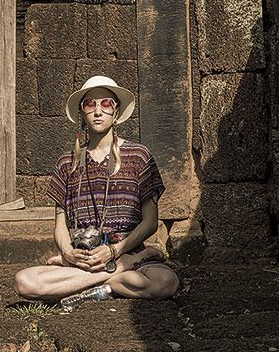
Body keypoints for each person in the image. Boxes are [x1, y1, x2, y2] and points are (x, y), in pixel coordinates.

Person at [13, 75, 179, 309]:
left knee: (166, 282)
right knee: (24, 282)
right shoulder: (67, 162)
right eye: (90, 104)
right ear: (81, 113)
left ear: (116, 111)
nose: (98, 111)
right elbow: (60, 224)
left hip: (126, 250)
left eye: (106, 104)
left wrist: (116, 252)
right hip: (85, 260)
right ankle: (111, 280)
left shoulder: (139, 156)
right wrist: (69, 254)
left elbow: (150, 222)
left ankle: (115, 269)